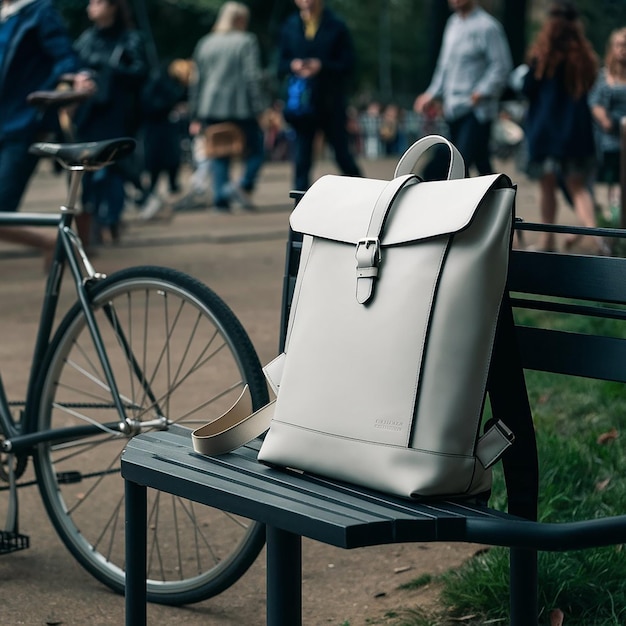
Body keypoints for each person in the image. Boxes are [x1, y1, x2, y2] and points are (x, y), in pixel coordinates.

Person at [521, 1, 606, 254]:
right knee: (578, 187)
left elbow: (527, 88)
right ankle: (596, 237)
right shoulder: (583, 57)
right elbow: (591, 85)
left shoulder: (542, 56)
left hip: (546, 132)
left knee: (547, 187)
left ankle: (548, 241)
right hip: (574, 132)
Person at [0, 0, 78, 263]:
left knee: (1, 212)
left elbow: (66, 60)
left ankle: (53, 242)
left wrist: (46, 102)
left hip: (22, 125)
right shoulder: (7, 15)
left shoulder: (39, 12)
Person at [72, 0, 148, 245]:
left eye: (97, 2)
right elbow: (73, 66)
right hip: (89, 113)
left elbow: (139, 72)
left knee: (112, 168)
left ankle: (109, 219)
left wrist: (110, 70)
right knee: (86, 168)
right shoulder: (86, 39)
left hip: (116, 114)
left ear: (113, 6)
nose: (90, 7)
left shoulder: (130, 38)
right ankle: (90, 220)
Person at [414, 0, 512, 177]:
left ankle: (467, 202)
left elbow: (501, 65)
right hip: (453, 109)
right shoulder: (453, 25)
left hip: (476, 110)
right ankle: (496, 200)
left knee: (458, 163)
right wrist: (430, 94)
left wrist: (481, 91)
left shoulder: (488, 27)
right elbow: (444, 66)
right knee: (480, 162)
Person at [188, 2, 267, 212]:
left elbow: (196, 80)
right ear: (240, 20)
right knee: (258, 148)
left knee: (219, 152)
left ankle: (220, 199)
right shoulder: (246, 41)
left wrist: (194, 113)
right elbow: (253, 77)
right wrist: (260, 108)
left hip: (210, 107)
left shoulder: (205, 43)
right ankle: (241, 185)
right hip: (240, 107)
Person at [277, 0, 363, 191]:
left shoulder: (336, 26)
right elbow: (280, 63)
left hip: (330, 102)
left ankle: (366, 195)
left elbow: (349, 64)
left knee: (342, 155)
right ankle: (299, 207)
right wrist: (293, 65)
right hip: (302, 104)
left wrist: (322, 66)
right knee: (301, 160)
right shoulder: (290, 26)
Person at [589, 27, 626, 218]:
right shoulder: (604, 76)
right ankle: (608, 222)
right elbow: (594, 102)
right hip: (608, 141)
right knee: (607, 182)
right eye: (620, 45)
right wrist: (604, 119)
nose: (623, 50)